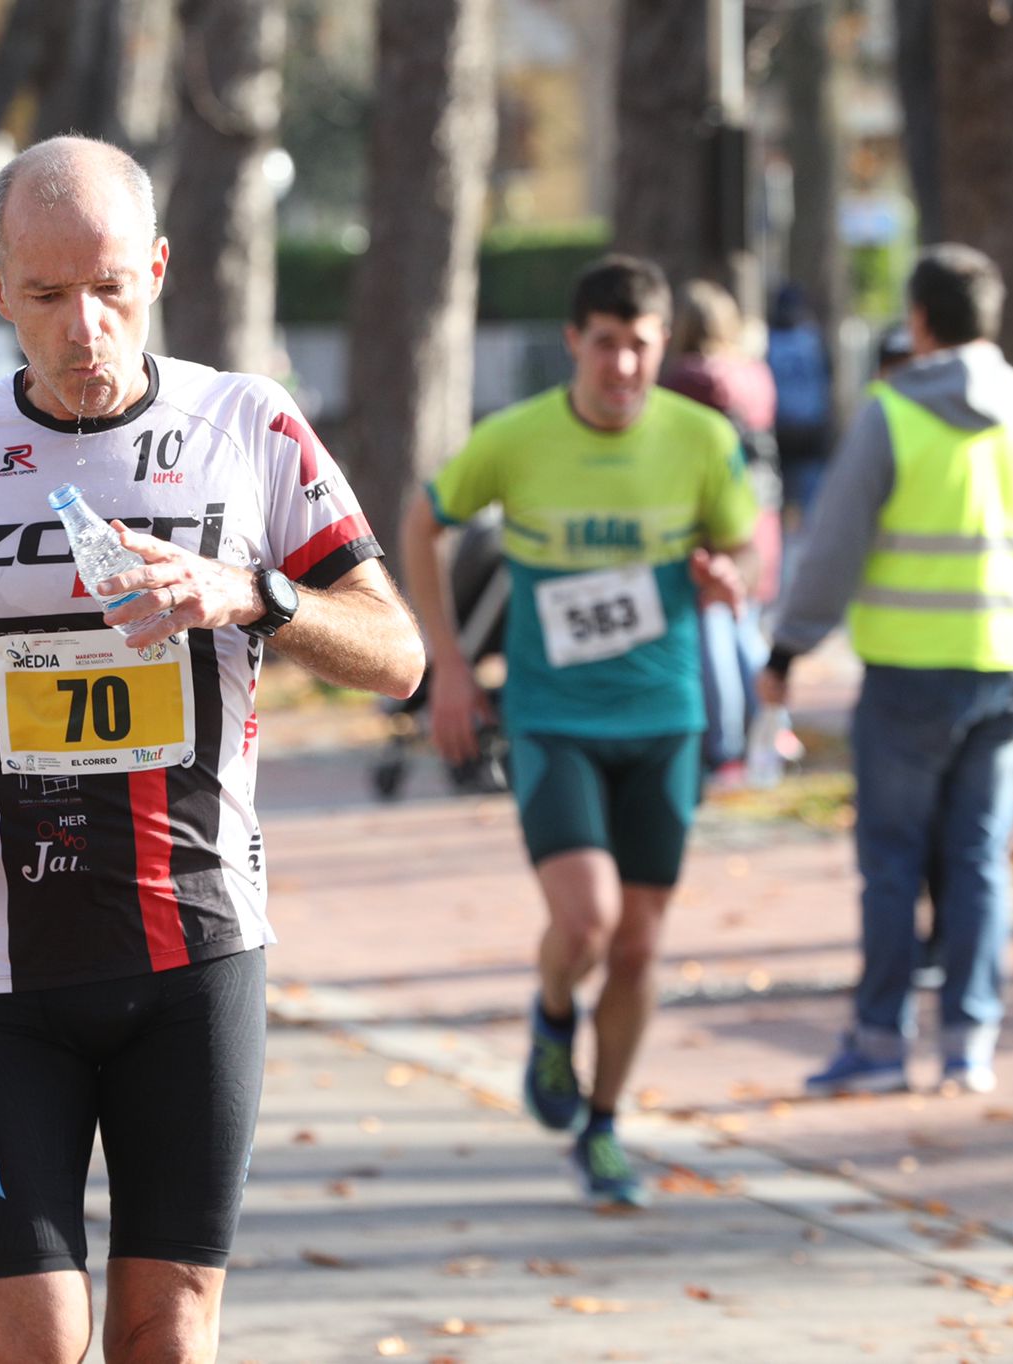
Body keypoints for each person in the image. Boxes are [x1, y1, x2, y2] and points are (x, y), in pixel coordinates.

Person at [0, 135, 422, 1364]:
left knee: (162, 1338)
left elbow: (396, 653)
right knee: (33, 1345)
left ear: (156, 271)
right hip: (0, 960)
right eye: (48, 297)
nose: (85, 328)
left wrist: (250, 591)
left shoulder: (246, 425)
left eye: (110, 289)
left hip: (194, 948)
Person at [402, 255, 759, 1209]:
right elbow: (422, 520)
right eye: (606, 345)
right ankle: (554, 1013)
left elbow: (741, 552)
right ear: (575, 343)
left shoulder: (702, 438)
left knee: (639, 947)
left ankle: (603, 1127)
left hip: (665, 721)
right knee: (587, 920)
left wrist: (728, 580)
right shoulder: (516, 440)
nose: (625, 367)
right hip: (554, 719)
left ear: (662, 346)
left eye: (642, 346)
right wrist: (443, 663)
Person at [759, 245, 1013, 1097]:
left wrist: (788, 647)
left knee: (894, 863)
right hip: (1008, 668)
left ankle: (878, 1042)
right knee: (980, 861)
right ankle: (970, 1042)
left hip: (908, 674)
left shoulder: (893, 412)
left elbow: (832, 549)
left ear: (919, 320)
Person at [659, 280, 782, 781]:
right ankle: (775, 727)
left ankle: (727, 747)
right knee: (746, 625)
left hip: (711, 521)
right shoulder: (755, 374)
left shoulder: (691, 379)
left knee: (714, 632)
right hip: (761, 515)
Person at [765, 282, 835, 521]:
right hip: (808, 427)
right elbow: (827, 380)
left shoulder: (768, 341)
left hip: (781, 428)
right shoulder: (812, 339)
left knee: (777, 503)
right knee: (810, 505)